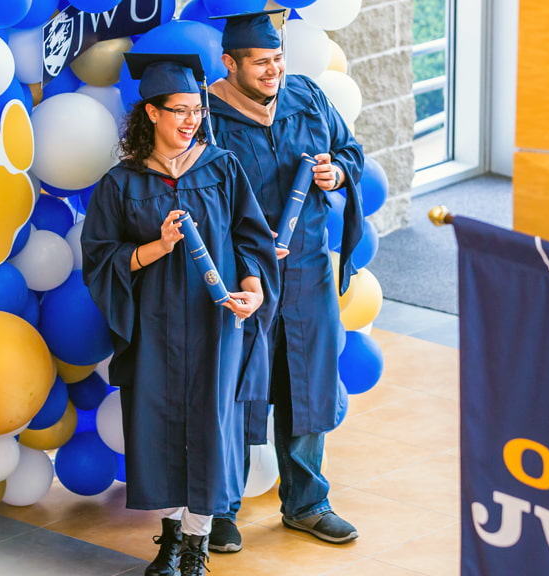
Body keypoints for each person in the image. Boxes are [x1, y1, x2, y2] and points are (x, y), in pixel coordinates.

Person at [80, 52, 280, 576]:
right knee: (159, 427)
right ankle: (169, 541)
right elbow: (100, 259)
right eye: (180, 110)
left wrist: (254, 290)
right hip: (154, 328)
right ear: (151, 113)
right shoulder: (121, 184)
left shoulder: (220, 168)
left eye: (197, 110)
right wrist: (157, 246)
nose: (192, 120)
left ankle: (197, 547)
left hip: (215, 325)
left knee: (210, 429)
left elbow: (251, 240)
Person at [205, 9, 365, 552]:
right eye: (260, 63)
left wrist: (335, 171)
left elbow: (350, 151)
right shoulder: (207, 115)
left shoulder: (307, 97)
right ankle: (219, 509)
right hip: (242, 275)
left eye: (278, 59)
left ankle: (307, 503)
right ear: (230, 64)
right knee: (234, 387)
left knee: (307, 380)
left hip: (307, 270)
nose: (273, 71)